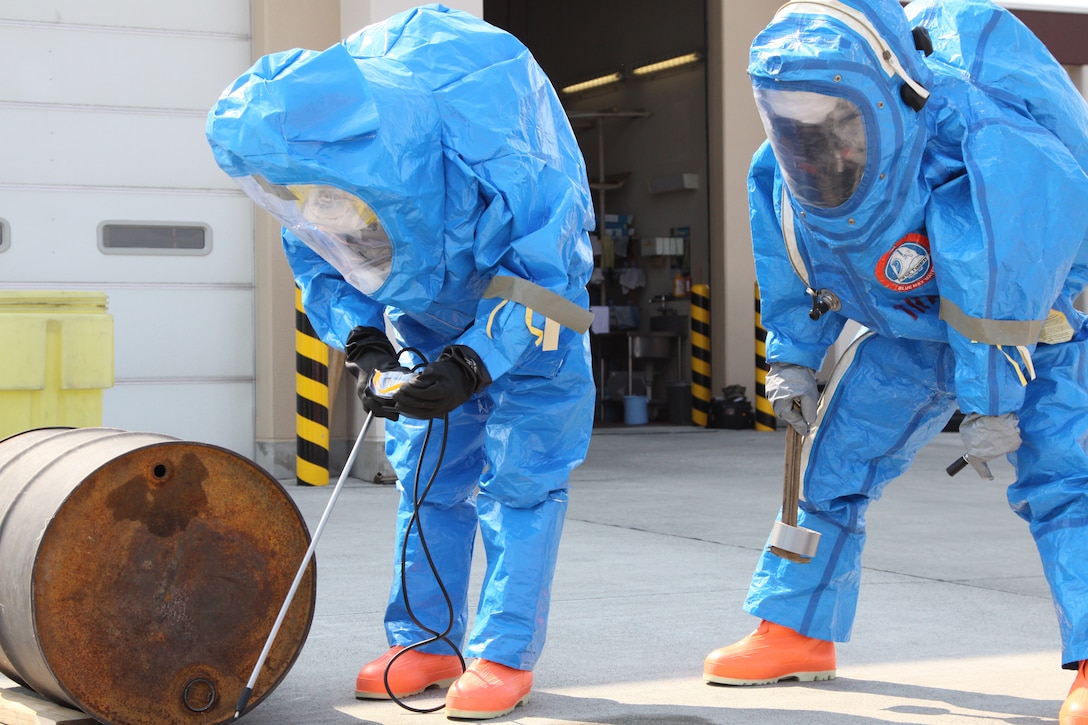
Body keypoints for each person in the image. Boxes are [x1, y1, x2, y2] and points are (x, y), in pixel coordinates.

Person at [206, 5, 596, 720]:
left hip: (532, 328)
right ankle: (425, 642)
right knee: (427, 482)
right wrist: (366, 343)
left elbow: (548, 269)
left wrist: (475, 361)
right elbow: (323, 258)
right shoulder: (314, 164)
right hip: (424, 316)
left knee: (521, 486)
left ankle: (504, 655)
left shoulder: (493, 138)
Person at [702, 1, 1088, 722]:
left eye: (831, 116)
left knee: (1069, 481)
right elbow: (792, 261)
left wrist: (993, 402)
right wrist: (793, 357)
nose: (814, 136)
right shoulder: (785, 166)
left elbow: (1000, 279)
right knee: (829, 468)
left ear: (889, 95)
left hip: (1034, 333)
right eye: (792, 117)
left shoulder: (985, 146)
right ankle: (795, 629)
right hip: (906, 330)